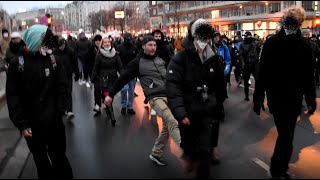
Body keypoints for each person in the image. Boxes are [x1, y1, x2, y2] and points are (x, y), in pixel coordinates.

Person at [253, 6, 317, 179]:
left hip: (294, 99)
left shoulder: (304, 46)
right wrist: (258, 98)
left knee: (288, 137)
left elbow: (308, 76)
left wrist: (311, 98)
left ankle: (281, 168)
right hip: (277, 98)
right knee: (286, 135)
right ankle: (275, 169)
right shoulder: (272, 43)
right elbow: (263, 73)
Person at [6, 24, 73, 179]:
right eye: (45, 41)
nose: (48, 46)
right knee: (42, 162)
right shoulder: (18, 64)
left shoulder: (53, 60)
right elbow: (13, 97)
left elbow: (63, 88)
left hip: (54, 123)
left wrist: (59, 111)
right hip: (32, 127)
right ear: (35, 41)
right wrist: (22, 124)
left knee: (60, 160)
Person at [104, 35, 181, 166]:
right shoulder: (137, 62)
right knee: (172, 120)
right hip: (155, 97)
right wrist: (111, 94)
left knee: (168, 126)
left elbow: (172, 75)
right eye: (150, 45)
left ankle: (156, 153)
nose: (153, 48)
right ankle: (187, 149)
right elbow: (123, 78)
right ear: (143, 46)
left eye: (154, 45)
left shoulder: (160, 59)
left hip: (169, 94)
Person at [166, 18, 226, 178]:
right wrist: (180, 113)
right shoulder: (180, 59)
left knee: (205, 151)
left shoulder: (213, 58)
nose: (204, 41)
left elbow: (220, 85)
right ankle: (189, 155)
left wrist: (219, 106)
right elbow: (172, 87)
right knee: (189, 146)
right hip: (187, 112)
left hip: (206, 112)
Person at [91, 36, 123, 126]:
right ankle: (112, 116)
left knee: (110, 95)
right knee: (107, 95)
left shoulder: (115, 54)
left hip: (113, 78)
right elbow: (95, 68)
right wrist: (92, 79)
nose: (107, 43)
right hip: (104, 78)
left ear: (111, 43)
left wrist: (123, 75)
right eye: (105, 42)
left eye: (108, 42)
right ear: (102, 44)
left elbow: (120, 66)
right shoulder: (99, 54)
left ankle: (109, 109)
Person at [53, 36, 79, 120]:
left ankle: (69, 110)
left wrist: (77, 73)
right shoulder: (55, 52)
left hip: (67, 74)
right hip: (58, 75)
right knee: (60, 92)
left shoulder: (70, 51)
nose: (61, 46)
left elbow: (75, 63)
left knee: (68, 92)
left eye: (62, 44)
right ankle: (62, 108)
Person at [116, 33, 138, 115]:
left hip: (132, 73)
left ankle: (130, 107)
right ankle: (123, 106)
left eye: (129, 39)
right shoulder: (119, 48)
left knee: (131, 91)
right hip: (123, 72)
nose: (128, 40)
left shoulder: (135, 48)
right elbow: (117, 60)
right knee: (124, 89)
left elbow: (137, 60)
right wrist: (119, 70)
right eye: (126, 39)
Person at [239, 31, 261, 101]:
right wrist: (243, 64)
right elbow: (241, 55)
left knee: (257, 80)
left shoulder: (255, 43)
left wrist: (257, 59)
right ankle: (246, 95)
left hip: (254, 64)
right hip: (247, 65)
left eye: (247, 36)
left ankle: (256, 94)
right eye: (245, 36)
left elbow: (259, 51)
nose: (245, 37)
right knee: (246, 81)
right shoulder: (242, 44)